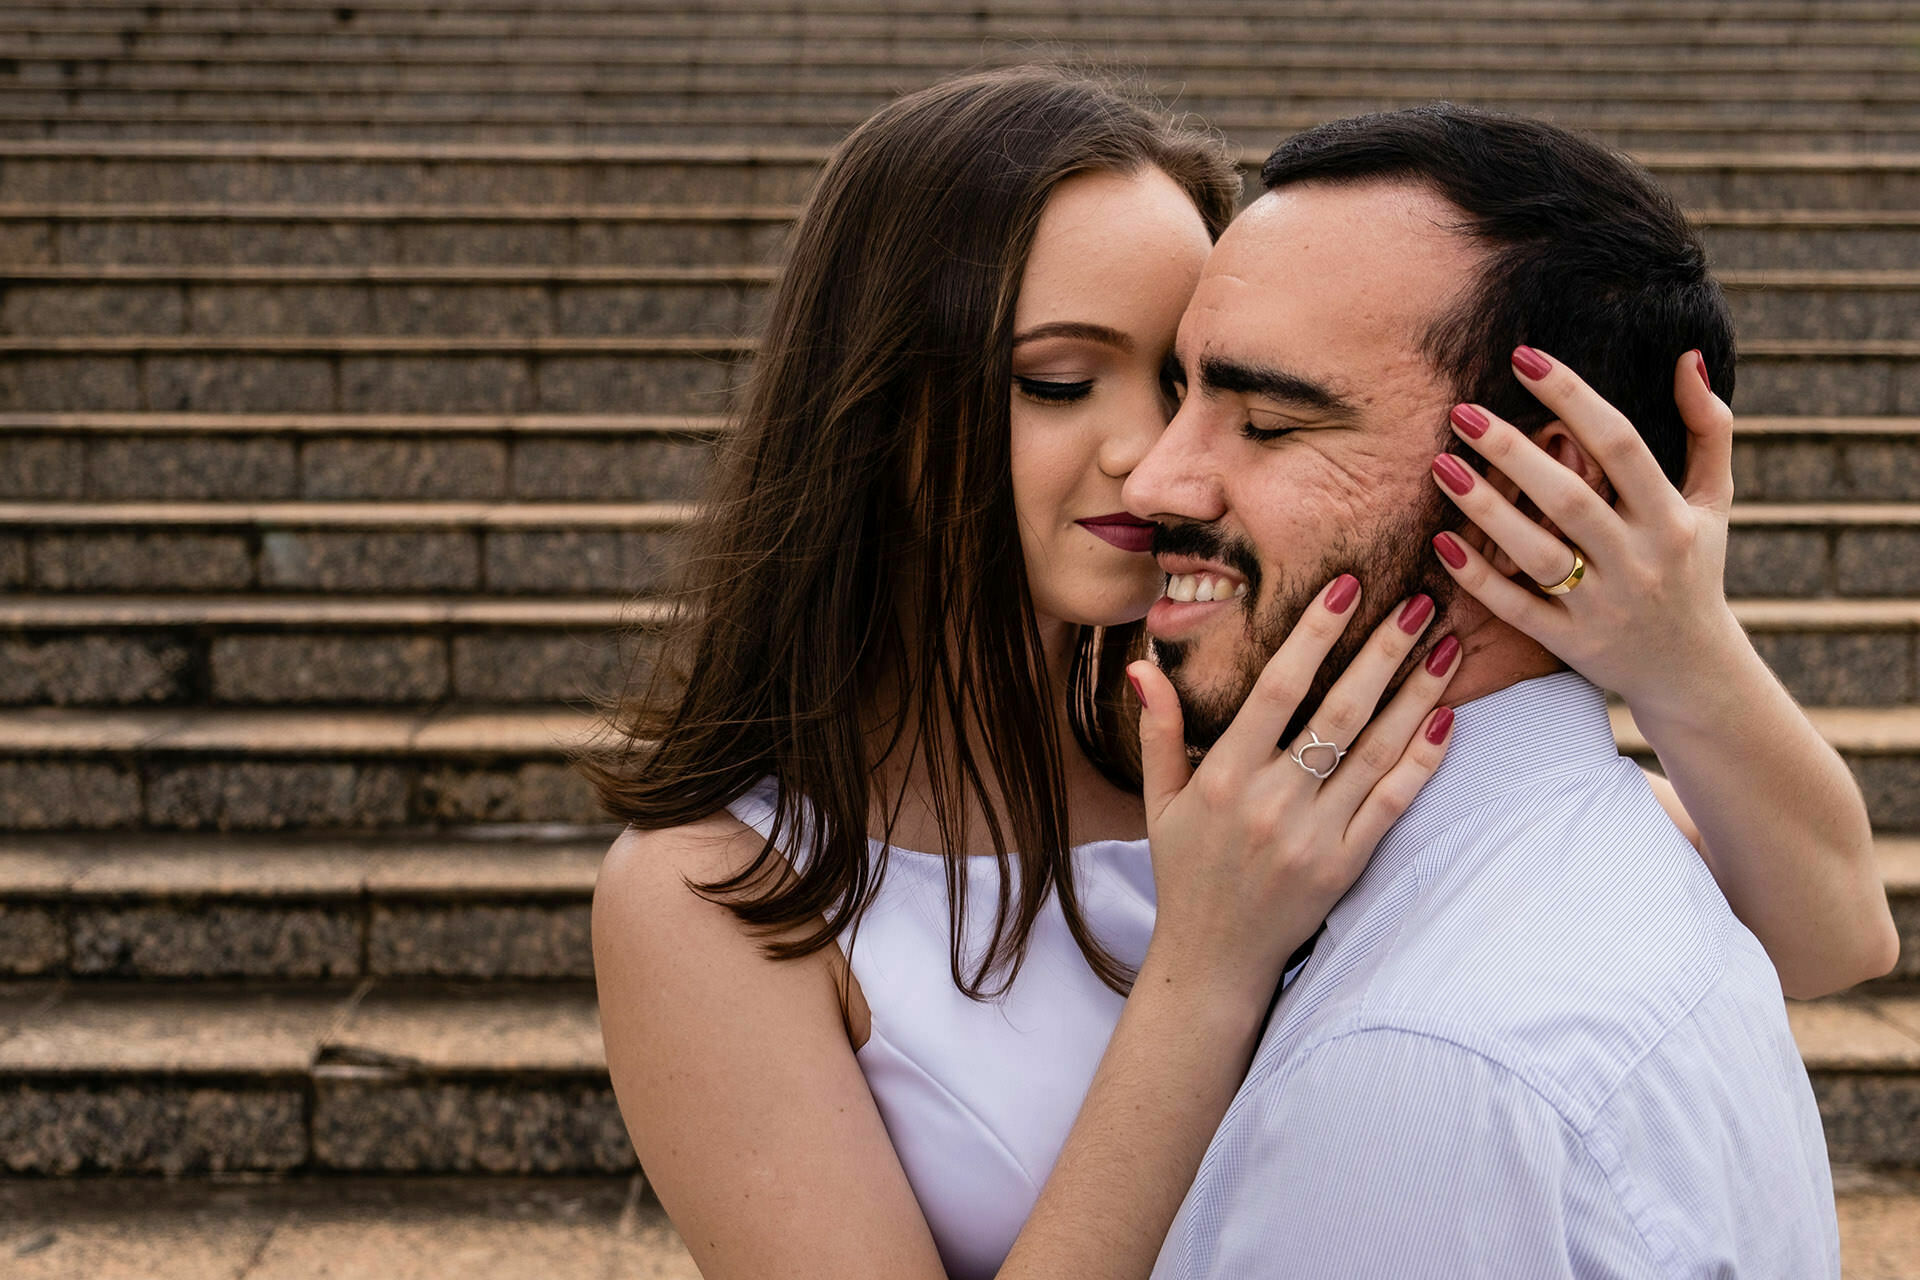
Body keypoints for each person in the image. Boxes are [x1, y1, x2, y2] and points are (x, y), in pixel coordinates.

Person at [585, 71, 1896, 1280]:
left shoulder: (1256, 702)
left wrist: (1679, 649)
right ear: (876, 406)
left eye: (1196, 381)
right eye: (1056, 382)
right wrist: (1206, 970)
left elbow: (1827, 931)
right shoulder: (715, 892)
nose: (1155, 458)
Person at [1132, 104, 1853, 1278]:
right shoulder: (1615, 861)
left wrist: (1688, 644)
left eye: (1266, 420)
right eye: (1180, 397)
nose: (1156, 475)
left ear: (1535, 491)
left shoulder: (1423, 1065)